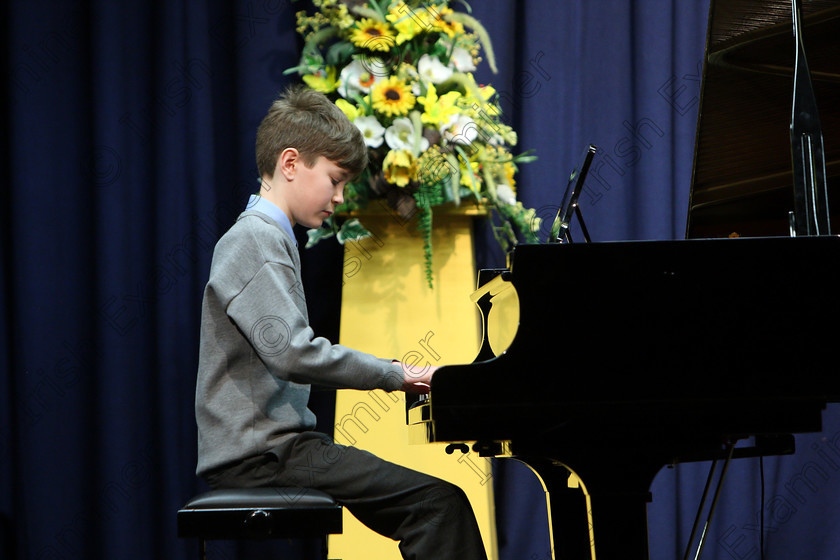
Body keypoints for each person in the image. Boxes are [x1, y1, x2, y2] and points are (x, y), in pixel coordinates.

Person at [194, 85, 488, 560]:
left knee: (436, 502)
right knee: (438, 504)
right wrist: (396, 375)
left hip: (279, 448)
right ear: (290, 164)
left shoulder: (269, 235)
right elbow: (293, 352)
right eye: (334, 180)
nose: (339, 197)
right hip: (262, 456)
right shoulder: (254, 239)